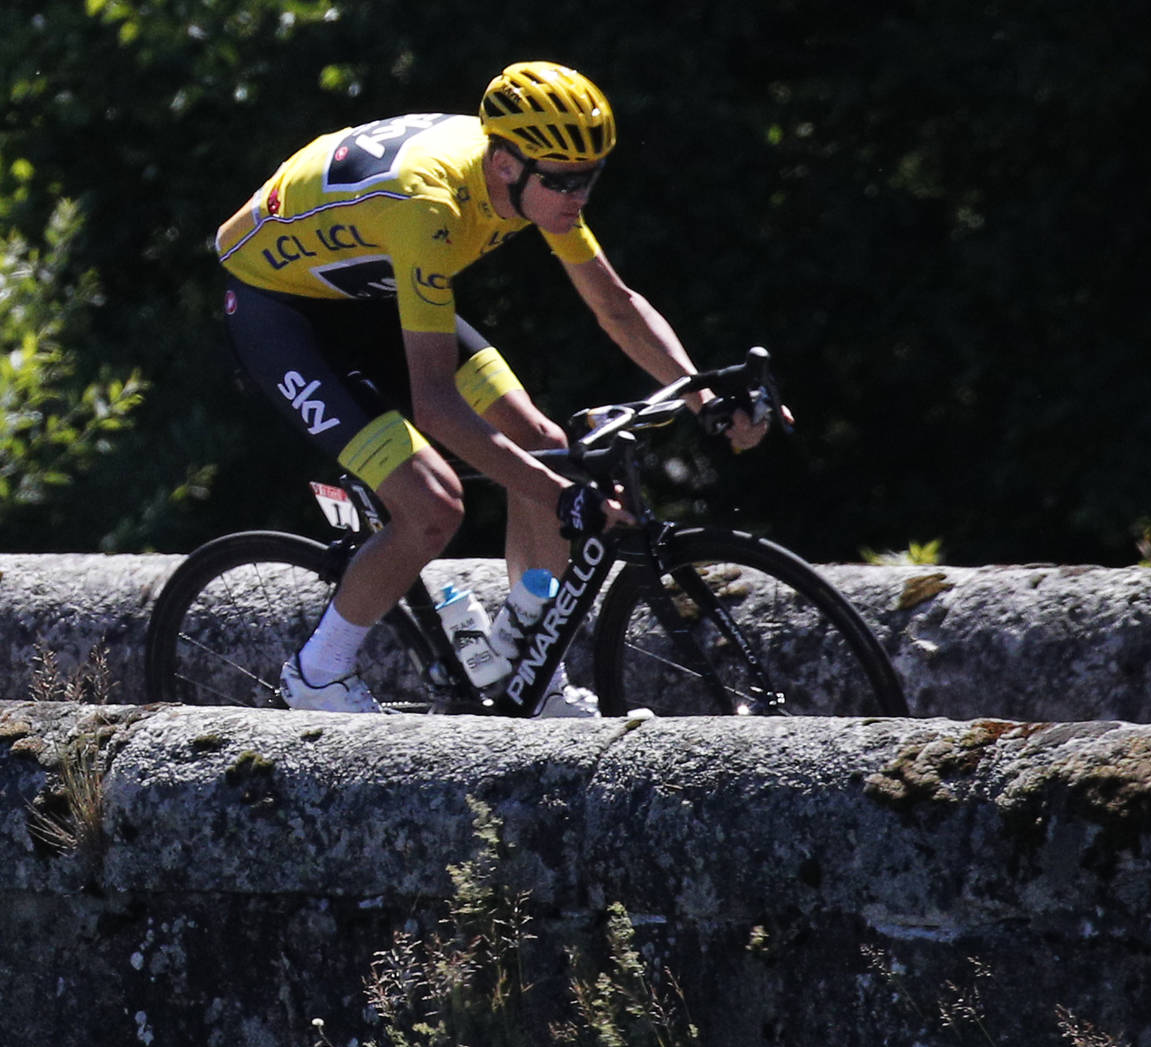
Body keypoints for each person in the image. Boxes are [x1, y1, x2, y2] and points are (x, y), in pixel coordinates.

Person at [216, 60, 771, 715]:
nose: (579, 196)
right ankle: (318, 673)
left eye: (591, 176)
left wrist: (703, 396)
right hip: (281, 311)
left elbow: (616, 305)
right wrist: (563, 498)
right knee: (433, 504)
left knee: (543, 442)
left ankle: (528, 674)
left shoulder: (532, 177)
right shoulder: (431, 205)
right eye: (565, 180)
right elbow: (437, 408)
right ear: (505, 163)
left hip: (367, 287)